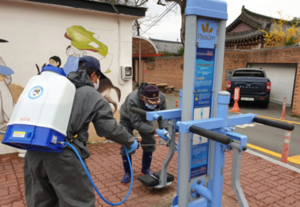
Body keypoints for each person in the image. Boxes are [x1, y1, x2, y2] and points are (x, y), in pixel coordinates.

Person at [24, 56, 138, 207]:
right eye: (98, 77)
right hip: (62, 156)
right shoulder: (90, 94)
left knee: (41, 201)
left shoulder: (55, 87)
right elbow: (107, 127)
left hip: (33, 153)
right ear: (93, 75)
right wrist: (130, 141)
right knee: (77, 202)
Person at [119, 83, 169, 184]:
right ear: (142, 97)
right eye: (150, 102)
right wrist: (156, 131)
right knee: (126, 144)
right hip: (127, 119)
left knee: (150, 141)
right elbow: (136, 123)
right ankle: (128, 173)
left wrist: (164, 129)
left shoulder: (161, 97)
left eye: (155, 102)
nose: (154, 104)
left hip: (146, 118)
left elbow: (163, 114)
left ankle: (145, 169)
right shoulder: (132, 100)